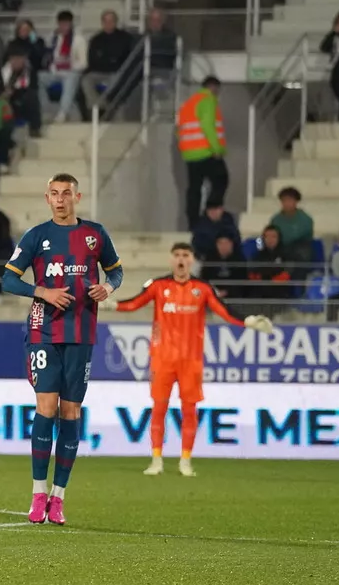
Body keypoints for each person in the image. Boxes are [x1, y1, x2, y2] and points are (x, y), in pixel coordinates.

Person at [1, 173, 122, 526]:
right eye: (54, 194)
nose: (60, 199)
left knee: (71, 412)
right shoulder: (36, 236)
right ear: (46, 198)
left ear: (77, 197)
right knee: (47, 406)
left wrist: (108, 288)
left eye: (66, 194)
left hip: (82, 332)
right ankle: (38, 494)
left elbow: (115, 272)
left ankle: (59, 497)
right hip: (43, 330)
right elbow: (8, 278)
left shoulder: (95, 234)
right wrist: (44, 292)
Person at [116, 244, 272, 476]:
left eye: (185, 256)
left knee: (190, 410)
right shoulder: (159, 286)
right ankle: (156, 460)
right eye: (177, 255)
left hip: (191, 360)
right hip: (162, 358)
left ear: (191, 260)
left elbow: (224, 311)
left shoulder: (202, 288)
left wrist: (248, 321)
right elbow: (134, 303)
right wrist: (108, 304)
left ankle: (185, 461)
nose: (181, 260)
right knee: (159, 408)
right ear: (171, 260)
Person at [177, 74, 228, 225]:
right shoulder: (208, 100)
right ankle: (211, 214)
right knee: (221, 180)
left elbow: (180, 129)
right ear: (213, 87)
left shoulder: (188, 103)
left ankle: (193, 221)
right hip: (206, 151)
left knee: (194, 188)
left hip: (190, 153)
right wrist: (217, 149)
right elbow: (208, 126)